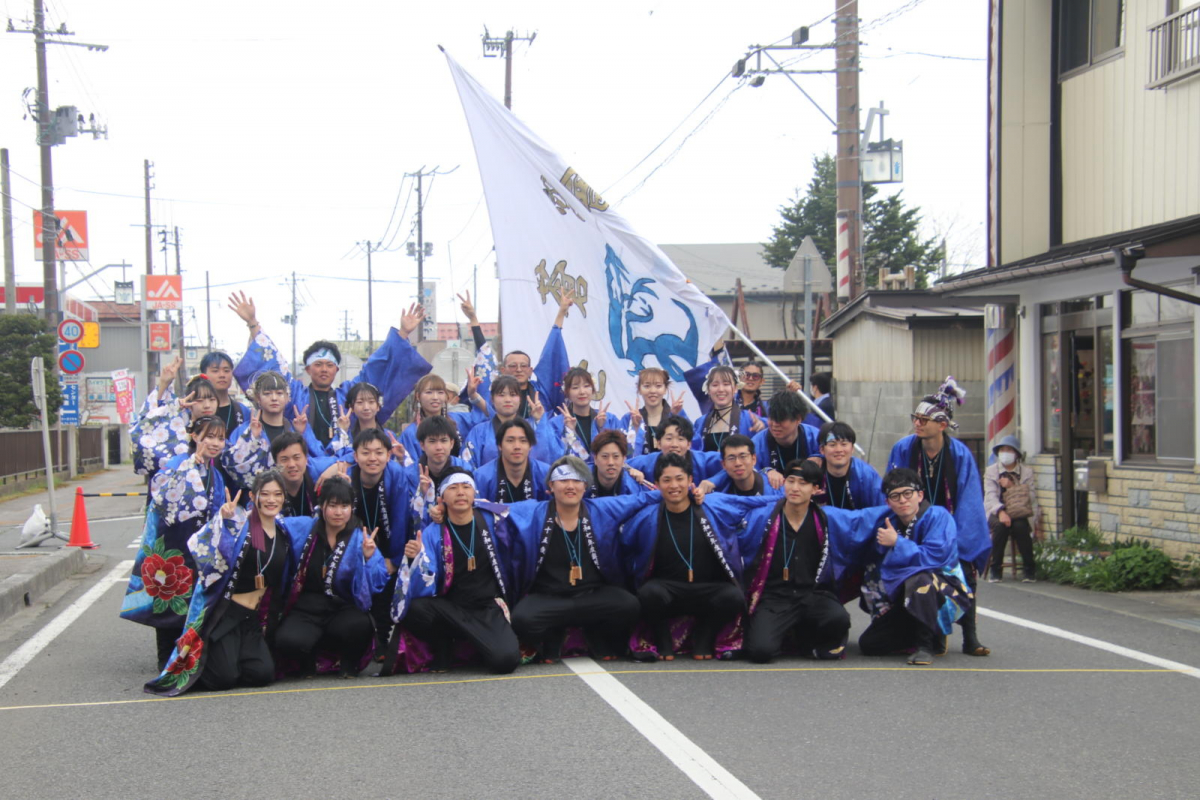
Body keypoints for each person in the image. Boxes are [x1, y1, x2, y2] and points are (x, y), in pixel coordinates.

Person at [146, 470, 299, 695]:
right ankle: (211, 660)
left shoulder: (283, 532)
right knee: (224, 679)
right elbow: (204, 550)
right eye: (264, 494)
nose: (271, 500)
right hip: (227, 614)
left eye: (277, 494)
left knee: (262, 674)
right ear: (252, 496)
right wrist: (223, 522)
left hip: (252, 618)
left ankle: (230, 656)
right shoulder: (239, 525)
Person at [504, 456, 661, 662]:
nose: (570, 486)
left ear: (585, 485)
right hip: (549, 597)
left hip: (592, 595)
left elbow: (641, 499)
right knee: (522, 619)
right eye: (563, 480)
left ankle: (595, 633)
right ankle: (553, 636)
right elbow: (494, 509)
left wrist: (683, 492)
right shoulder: (533, 511)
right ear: (551, 485)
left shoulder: (601, 509)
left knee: (630, 605)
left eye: (577, 480)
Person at [229, 291, 431, 449]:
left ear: (336, 369)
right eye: (318, 365)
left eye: (329, 365)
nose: (323, 370)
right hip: (302, 465)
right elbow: (270, 363)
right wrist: (252, 323)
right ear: (307, 369)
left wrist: (403, 333)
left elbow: (377, 368)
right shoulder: (295, 393)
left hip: (346, 463)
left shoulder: (348, 396)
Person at [887, 377, 991, 657]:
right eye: (915, 418)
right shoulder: (903, 448)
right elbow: (892, 486)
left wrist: (958, 539)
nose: (917, 424)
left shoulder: (959, 453)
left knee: (964, 572)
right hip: (912, 525)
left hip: (951, 526)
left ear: (942, 424)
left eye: (924, 419)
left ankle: (970, 637)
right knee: (919, 577)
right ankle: (926, 633)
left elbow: (969, 497)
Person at [621, 452, 759, 660]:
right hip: (668, 588)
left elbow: (753, 505)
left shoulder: (710, 507)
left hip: (708, 588)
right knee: (648, 594)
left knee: (733, 597)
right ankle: (663, 640)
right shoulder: (647, 516)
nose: (674, 485)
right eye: (667, 480)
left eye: (679, 479)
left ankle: (705, 635)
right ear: (657, 484)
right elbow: (626, 544)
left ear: (690, 481)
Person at [121, 415, 228, 670]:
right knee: (167, 605)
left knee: (191, 606)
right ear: (194, 436)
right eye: (209, 436)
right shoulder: (178, 463)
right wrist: (189, 466)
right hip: (173, 545)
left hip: (198, 550)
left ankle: (184, 657)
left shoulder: (215, 473)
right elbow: (162, 499)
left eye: (220, 438)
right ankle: (164, 660)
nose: (215, 442)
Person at [392, 469, 521, 674]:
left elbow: (525, 516)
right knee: (414, 609)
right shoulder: (433, 532)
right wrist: (416, 558)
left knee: (505, 661)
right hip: (451, 607)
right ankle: (443, 644)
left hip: (487, 607)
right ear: (442, 498)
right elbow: (427, 580)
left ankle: (476, 643)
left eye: (466, 487)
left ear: (474, 494)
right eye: (453, 488)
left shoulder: (494, 521)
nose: (460, 492)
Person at [737, 460, 858, 663]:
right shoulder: (764, 516)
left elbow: (863, 520)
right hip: (774, 597)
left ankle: (806, 638)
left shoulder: (825, 518)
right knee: (761, 652)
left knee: (839, 618)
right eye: (791, 481)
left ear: (816, 489)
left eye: (803, 483)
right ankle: (786, 634)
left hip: (810, 594)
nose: (795, 488)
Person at [273, 476, 390, 677]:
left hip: (342, 608)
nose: (338, 512)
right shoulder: (305, 527)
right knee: (287, 640)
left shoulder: (359, 537)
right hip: (307, 607)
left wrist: (369, 558)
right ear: (322, 506)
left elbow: (378, 582)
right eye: (333, 505)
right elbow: (273, 521)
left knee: (360, 626)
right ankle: (307, 659)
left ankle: (348, 662)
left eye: (344, 506)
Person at [857, 468, 971, 666]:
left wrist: (897, 543)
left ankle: (925, 645)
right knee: (869, 644)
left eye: (907, 493)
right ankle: (922, 632)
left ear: (920, 495)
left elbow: (935, 557)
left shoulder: (939, 516)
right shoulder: (889, 522)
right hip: (903, 596)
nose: (902, 500)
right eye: (895, 496)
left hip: (943, 589)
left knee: (920, 579)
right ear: (887, 502)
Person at [471, 290, 574, 421]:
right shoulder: (496, 392)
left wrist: (561, 312)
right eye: (513, 366)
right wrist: (473, 319)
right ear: (503, 370)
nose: (519, 370)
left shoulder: (541, 391)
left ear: (531, 371)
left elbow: (553, 352)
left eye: (523, 366)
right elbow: (484, 354)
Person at [130, 366, 220, 481]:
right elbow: (143, 429)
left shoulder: (220, 430)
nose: (207, 405)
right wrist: (164, 384)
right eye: (200, 400)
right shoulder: (176, 429)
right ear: (188, 401)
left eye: (212, 400)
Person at [397, 373, 488, 463]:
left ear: (446, 396)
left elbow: (489, 418)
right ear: (418, 396)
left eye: (440, 392)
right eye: (429, 392)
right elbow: (410, 467)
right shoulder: (410, 433)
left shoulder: (458, 420)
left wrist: (473, 394)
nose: (435, 397)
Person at [540, 366, 622, 465]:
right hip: (572, 477)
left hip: (604, 477)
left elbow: (622, 452)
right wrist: (570, 431)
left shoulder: (609, 419)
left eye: (586, 386)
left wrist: (602, 428)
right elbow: (552, 457)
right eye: (575, 387)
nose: (582, 392)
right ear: (567, 393)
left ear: (593, 390)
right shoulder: (556, 424)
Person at [463, 375, 549, 467]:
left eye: (513, 395)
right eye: (501, 395)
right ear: (492, 399)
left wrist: (540, 421)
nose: (507, 400)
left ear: (520, 399)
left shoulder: (533, 427)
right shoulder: (479, 432)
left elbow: (546, 457)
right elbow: (467, 466)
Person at [985, 435, 1038, 583]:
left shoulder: (1026, 472)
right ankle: (996, 569)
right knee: (1001, 527)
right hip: (997, 512)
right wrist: (1001, 512)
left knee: (1021, 526)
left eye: (1009, 449)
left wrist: (1013, 486)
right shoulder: (992, 471)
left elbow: (1031, 496)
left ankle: (1029, 569)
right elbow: (990, 496)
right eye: (1002, 449)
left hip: (1019, 511)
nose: (1005, 453)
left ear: (1016, 453)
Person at [626, 415, 725, 483]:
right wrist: (630, 470)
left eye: (681, 439)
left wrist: (712, 482)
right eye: (669, 439)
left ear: (689, 444)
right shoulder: (647, 462)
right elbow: (620, 465)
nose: (674, 444)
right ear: (659, 443)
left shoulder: (704, 461)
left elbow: (732, 462)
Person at [473, 418, 551, 504]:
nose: (517, 446)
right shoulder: (482, 477)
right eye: (510, 441)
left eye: (523, 441)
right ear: (500, 445)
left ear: (531, 445)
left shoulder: (545, 473)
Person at [753, 390, 821, 489]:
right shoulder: (757, 443)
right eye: (772, 418)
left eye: (781, 419)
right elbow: (749, 470)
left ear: (798, 419)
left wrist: (820, 458)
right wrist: (766, 472)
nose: (775, 424)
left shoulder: (815, 437)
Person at [690, 364, 765, 452]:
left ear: (736, 388)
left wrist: (764, 426)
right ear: (708, 390)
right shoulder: (700, 422)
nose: (721, 389)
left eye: (726, 384)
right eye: (715, 385)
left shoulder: (750, 419)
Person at [813, 421, 884, 510]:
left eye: (844, 444)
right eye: (832, 444)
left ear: (852, 448)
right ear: (822, 450)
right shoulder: (813, 473)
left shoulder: (867, 475)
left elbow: (881, 509)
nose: (839, 450)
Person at [620, 367, 687, 455]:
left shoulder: (677, 416)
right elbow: (621, 452)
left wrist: (677, 415)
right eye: (647, 386)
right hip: (638, 468)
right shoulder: (629, 418)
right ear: (639, 389)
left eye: (658, 386)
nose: (652, 391)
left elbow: (691, 447)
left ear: (665, 389)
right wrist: (635, 429)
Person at [694, 434, 782, 498]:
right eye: (731, 458)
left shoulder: (775, 491)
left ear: (754, 459)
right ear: (723, 464)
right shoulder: (718, 495)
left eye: (743, 456)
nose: (738, 463)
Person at [200, 351, 251, 441]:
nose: (222, 375)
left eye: (226, 371)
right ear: (203, 375)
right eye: (215, 371)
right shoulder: (195, 408)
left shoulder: (243, 411)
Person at [270, 432, 319, 518]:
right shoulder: (268, 490)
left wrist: (333, 469)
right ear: (276, 464)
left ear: (306, 459)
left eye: (296, 457)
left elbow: (341, 461)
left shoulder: (316, 477)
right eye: (284, 459)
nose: (292, 464)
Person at [588, 429, 647, 498]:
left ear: (624, 459)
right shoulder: (582, 481)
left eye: (616, 456)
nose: (610, 462)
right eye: (605, 456)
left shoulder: (633, 488)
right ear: (595, 459)